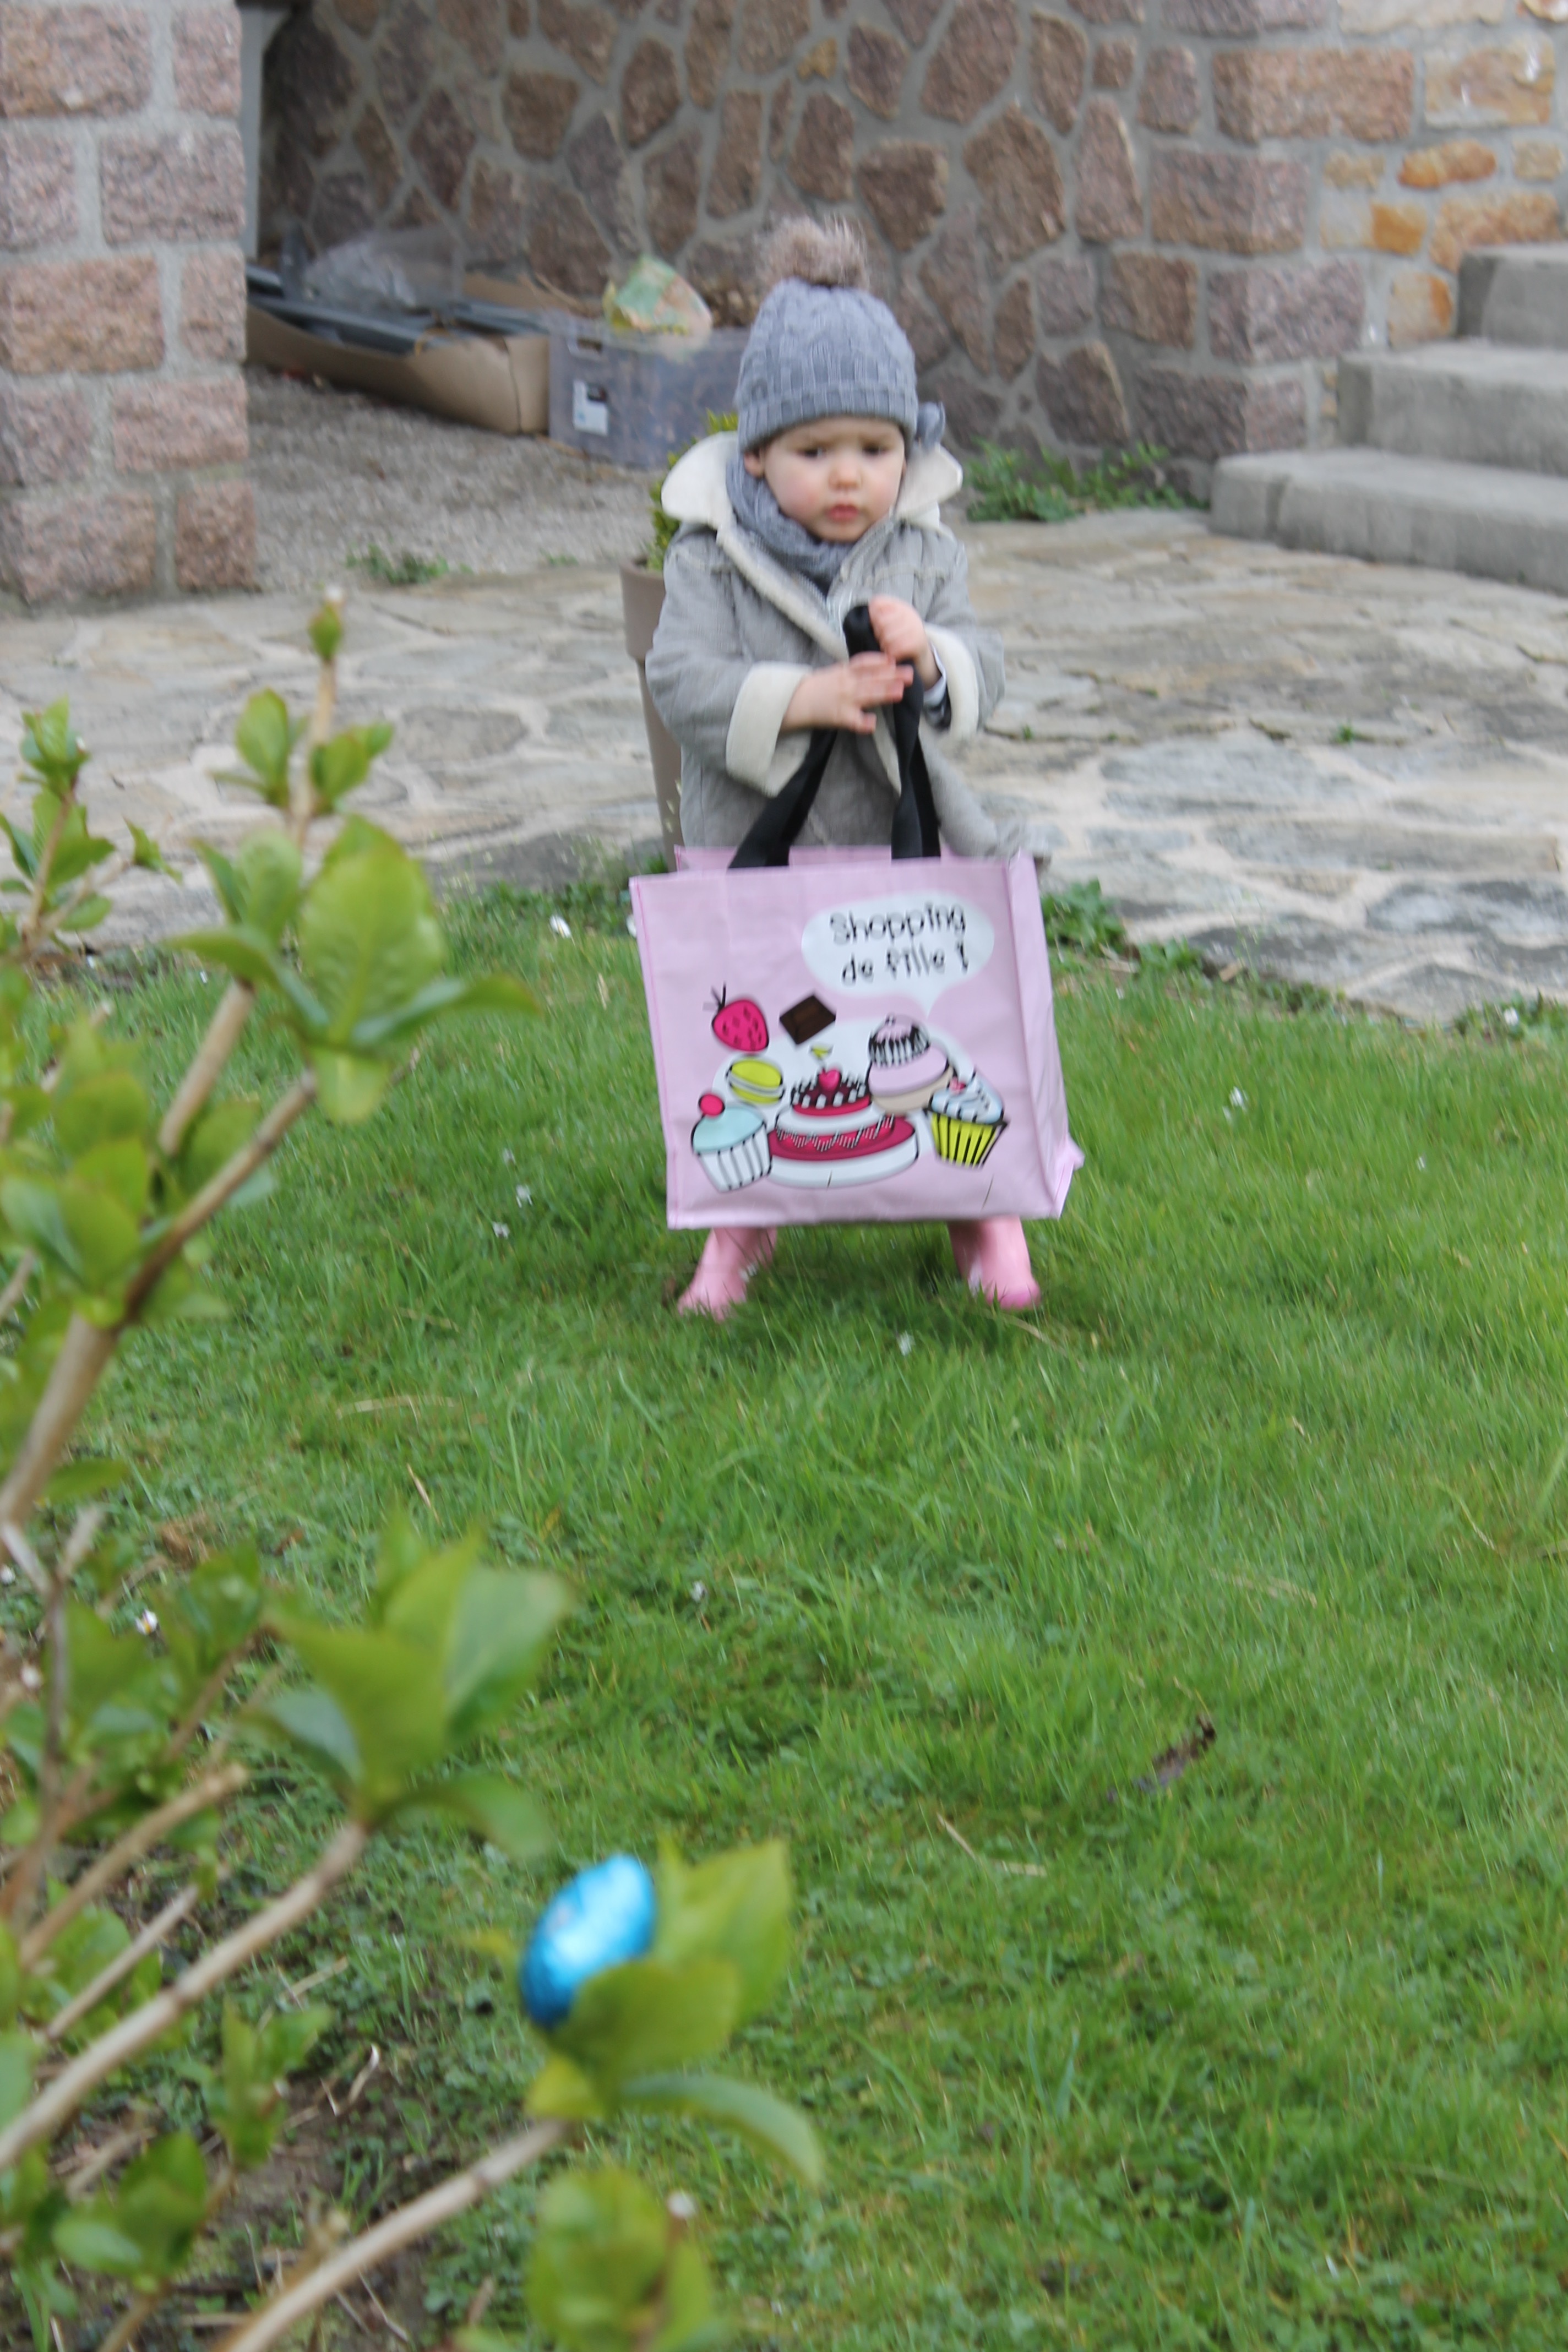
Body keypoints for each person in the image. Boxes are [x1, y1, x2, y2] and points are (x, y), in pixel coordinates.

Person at [645, 217, 1044, 1322]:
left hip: (901, 834)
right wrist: (801, 699)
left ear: (905, 452)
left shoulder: (922, 551)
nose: (847, 477)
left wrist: (934, 654)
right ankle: (743, 1214)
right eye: (814, 452)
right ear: (756, 456)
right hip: (764, 843)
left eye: (873, 450)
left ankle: (981, 1202)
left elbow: (985, 666)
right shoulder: (710, 557)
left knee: (933, 1018)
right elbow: (680, 675)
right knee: (782, 1024)